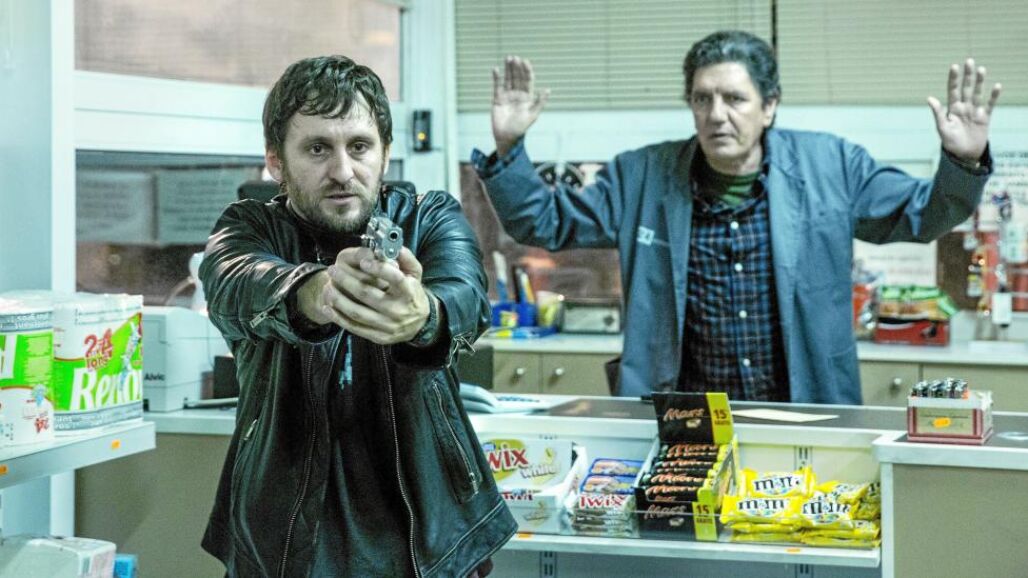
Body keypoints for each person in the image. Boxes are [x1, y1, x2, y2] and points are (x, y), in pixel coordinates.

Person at [473, 30, 1001, 404]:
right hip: (684, 420)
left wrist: (963, 161)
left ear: (768, 106)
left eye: (734, 99)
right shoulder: (642, 176)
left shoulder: (833, 166)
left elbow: (922, 216)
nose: (717, 115)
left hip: (804, 410)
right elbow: (545, 223)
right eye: (702, 99)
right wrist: (510, 147)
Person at [199, 55, 515, 577]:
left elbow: (465, 298)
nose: (343, 172)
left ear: (385, 153)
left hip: (433, 541)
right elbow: (235, 282)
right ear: (276, 162)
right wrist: (317, 292)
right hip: (283, 544)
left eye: (360, 147)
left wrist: (422, 316)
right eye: (317, 148)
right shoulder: (249, 227)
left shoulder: (429, 216)